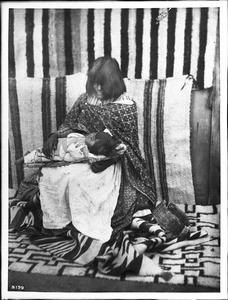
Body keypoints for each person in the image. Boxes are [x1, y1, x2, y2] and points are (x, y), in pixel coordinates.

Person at [15, 131, 120, 164]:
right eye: (94, 134)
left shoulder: (82, 152)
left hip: (56, 153)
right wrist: (55, 136)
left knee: (39, 156)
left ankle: (24, 159)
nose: (91, 135)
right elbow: (71, 135)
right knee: (39, 150)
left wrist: (69, 148)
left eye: (93, 139)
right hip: (59, 143)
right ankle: (28, 156)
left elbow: (69, 157)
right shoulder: (83, 139)